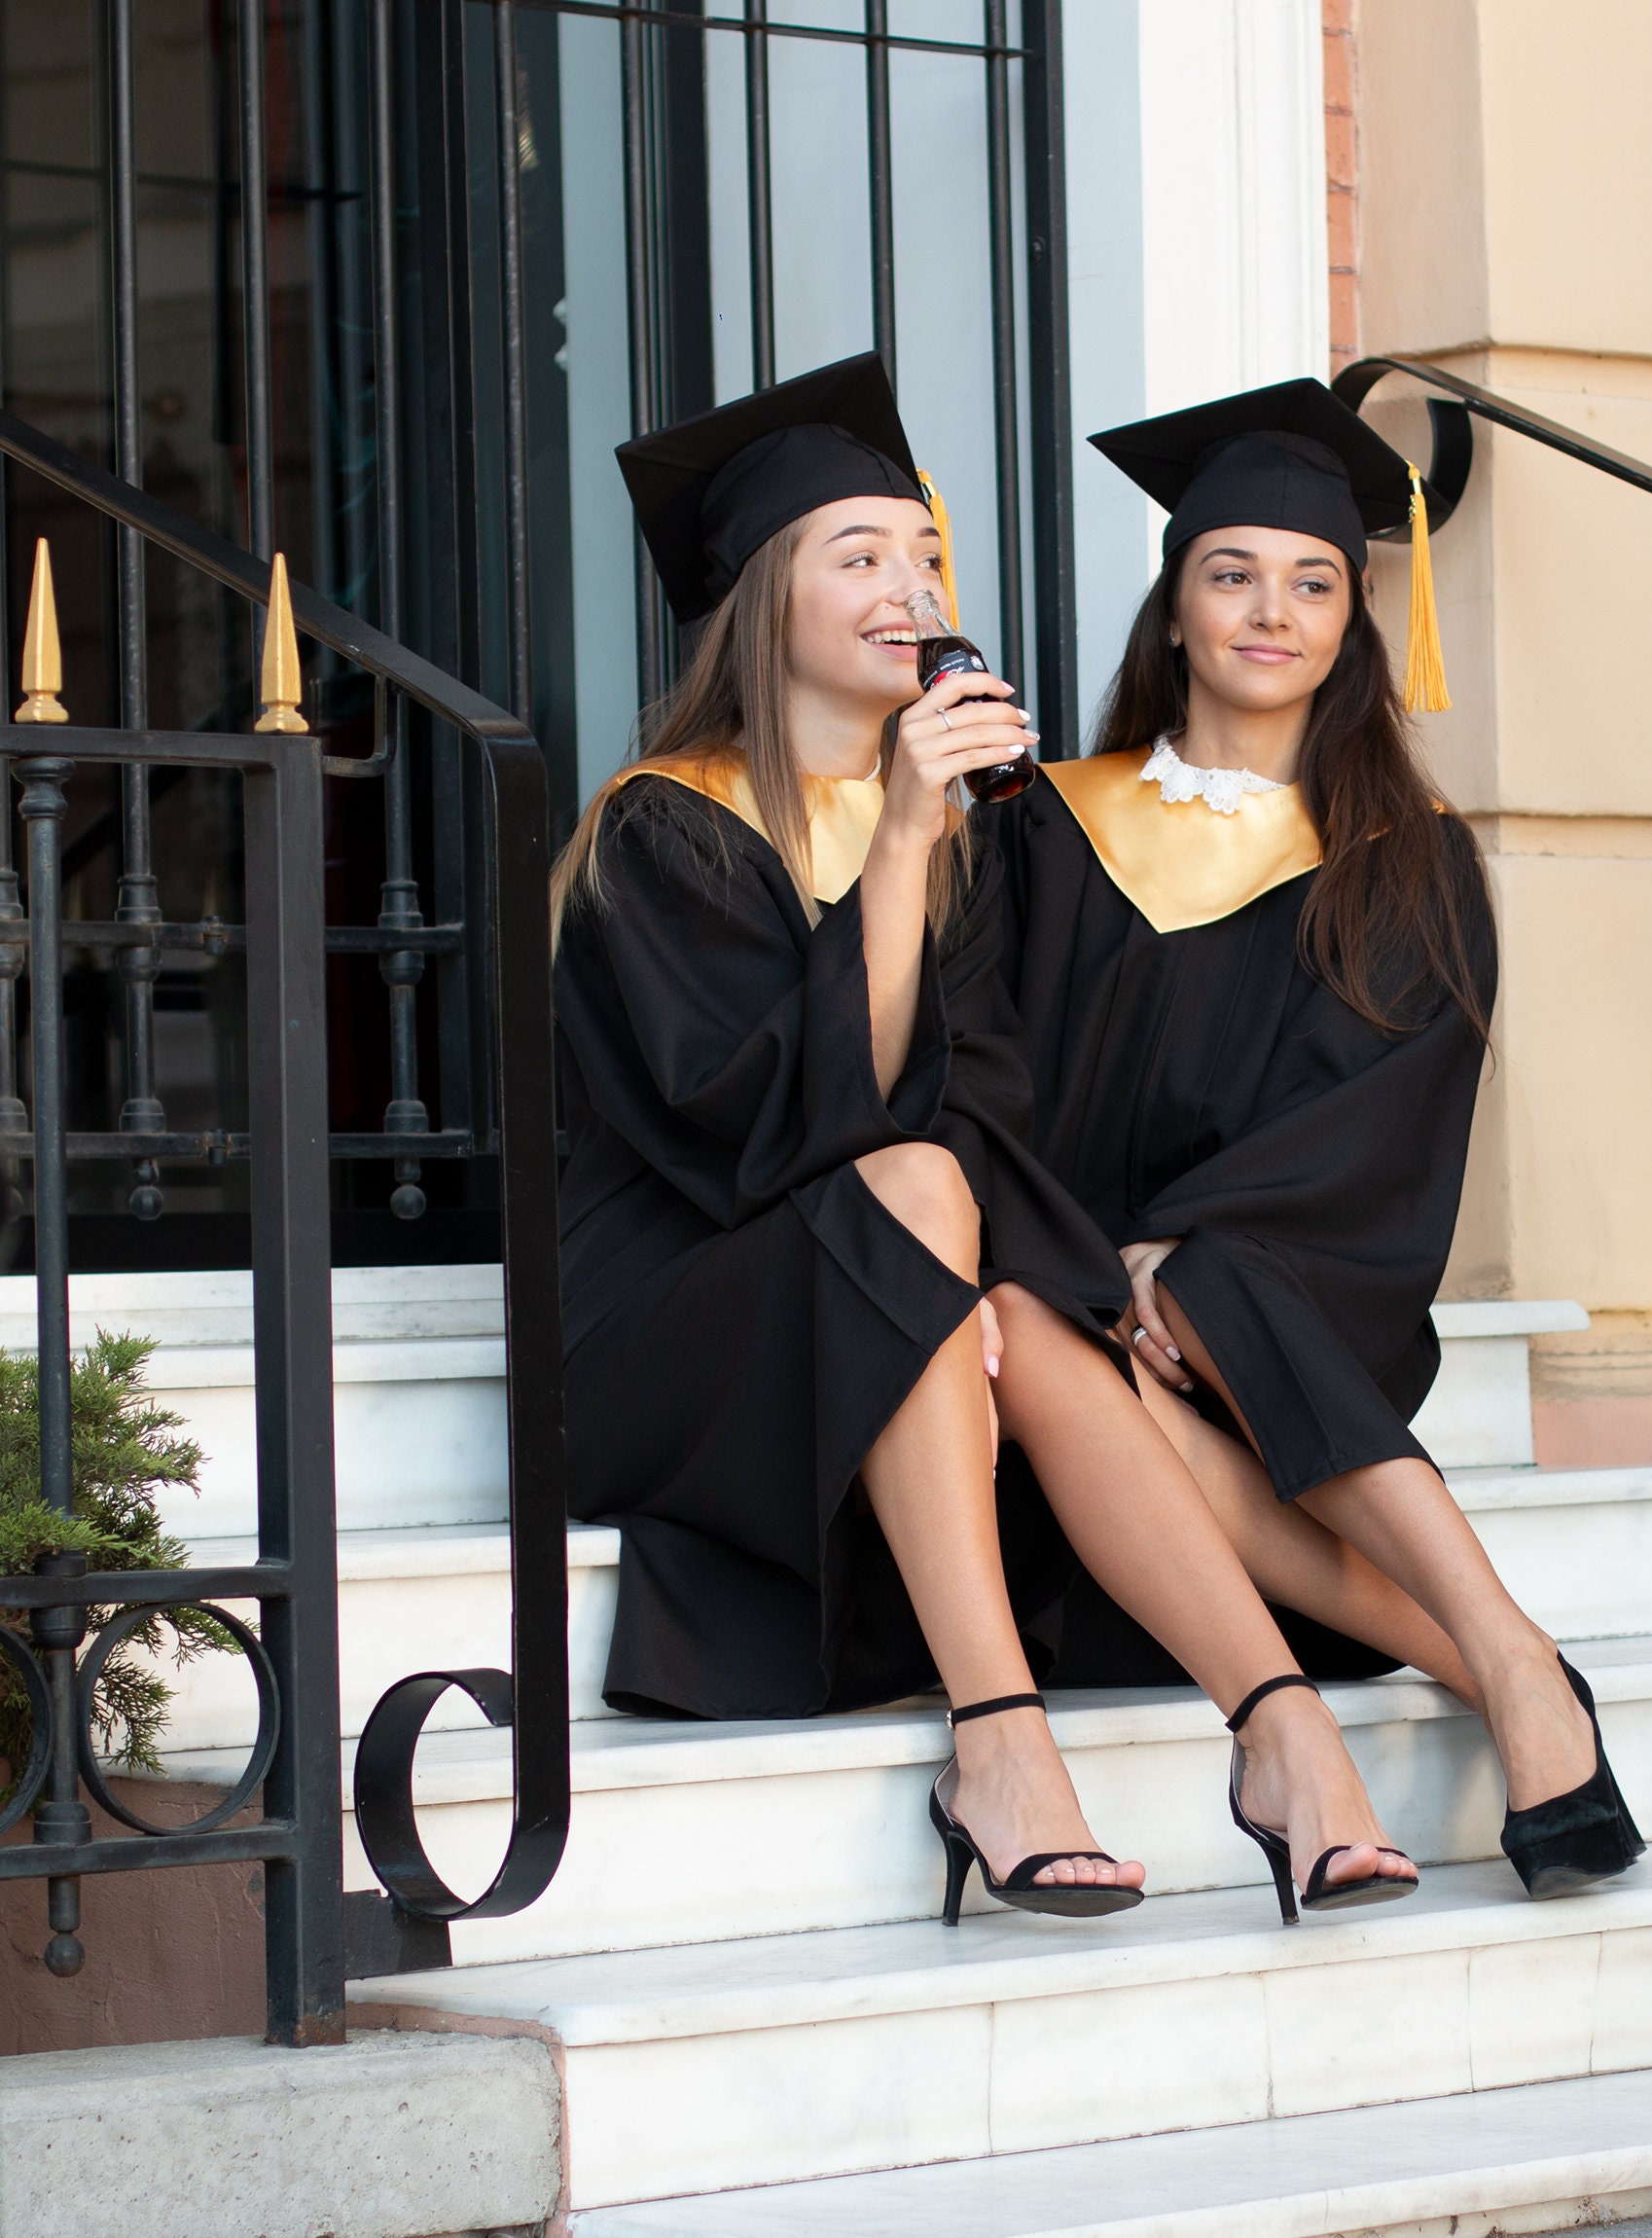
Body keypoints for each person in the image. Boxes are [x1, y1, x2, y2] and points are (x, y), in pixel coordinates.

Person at [552, 354, 1419, 1927]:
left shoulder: (965, 835)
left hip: (880, 1300)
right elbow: (765, 1135)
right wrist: (896, 838)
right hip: (672, 1332)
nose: (913, 589)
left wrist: (1049, 1296)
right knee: (926, 1199)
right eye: (862, 556)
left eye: (927, 556)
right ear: (766, 595)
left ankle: (1284, 1735)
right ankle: (1000, 1741)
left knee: (1021, 1296)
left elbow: (975, 1108)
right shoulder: (663, 825)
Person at [980, 378, 1643, 1897]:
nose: (1270, 612)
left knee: (1224, 1285)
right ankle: (1507, 1655)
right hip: (1075, 1313)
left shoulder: (1409, 864)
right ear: (1173, 614)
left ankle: (1505, 1659)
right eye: (1232, 574)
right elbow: (984, 1075)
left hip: (1291, 1320)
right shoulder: (1040, 828)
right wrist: (1104, 1266)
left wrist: (1180, 1261)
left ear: (1354, 621)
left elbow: (1385, 1128)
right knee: (1083, 1350)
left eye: (1314, 581)